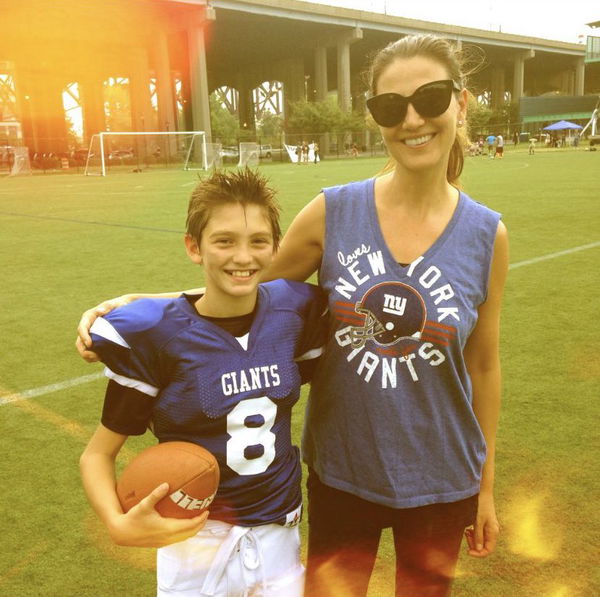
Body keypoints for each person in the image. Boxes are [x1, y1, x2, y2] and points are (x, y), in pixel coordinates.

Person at [78, 34, 507, 597]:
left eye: (430, 98)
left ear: (461, 102)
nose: (412, 119)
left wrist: (485, 483)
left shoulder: (486, 235)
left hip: (444, 477)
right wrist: (151, 303)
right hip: (342, 472)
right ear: (375, 116)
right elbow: (246, 280)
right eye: (389, 106)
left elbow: (483, 366)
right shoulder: (335, 211)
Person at [79, 168, 327, 597]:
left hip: (277, 533)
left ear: (275, 248)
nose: (243, 256)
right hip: (193, 536)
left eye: (258, 241)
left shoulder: (296, 310)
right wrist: (116, 523)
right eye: (224, 240)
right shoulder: (157, 334)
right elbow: (97, 455)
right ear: (195, 246)